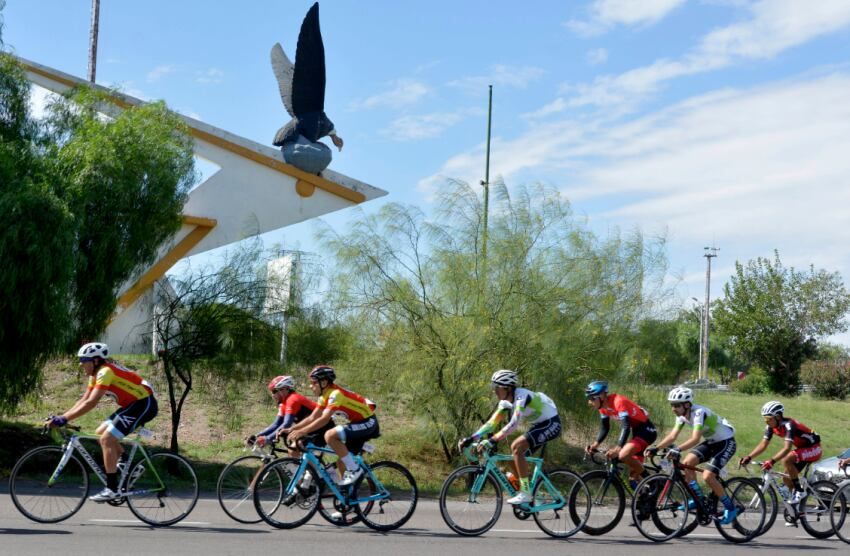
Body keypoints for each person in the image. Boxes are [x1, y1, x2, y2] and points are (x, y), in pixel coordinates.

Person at [47, 342, 158, 502]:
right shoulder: (96, 374)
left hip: (144, 404)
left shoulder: (105, 372)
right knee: (100, 433)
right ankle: (128, 466)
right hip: (133, 405)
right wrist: (62, 417)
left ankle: (111, 489)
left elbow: (91, 403)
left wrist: (64, 419)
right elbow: (84, 399)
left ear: (96, 360)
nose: (81, 364)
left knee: (107, 439)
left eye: (84, 360)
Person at [457, 369, 561, 505]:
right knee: (513, 460)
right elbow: (491, 423)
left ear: (508, 388)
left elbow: (513, 424)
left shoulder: (522, 396)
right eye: (493, 387)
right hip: (539, 425)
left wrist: (492, 440)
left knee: (516, 446)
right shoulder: (505, 401)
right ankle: (535, 495)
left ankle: (525, 493)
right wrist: (471, 438)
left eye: (497, 387)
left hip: (551, 424)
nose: (494, 391)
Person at [647, 386, 738, 525]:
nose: (673, 409)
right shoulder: (681, 416)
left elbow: (695, 439)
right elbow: (672, 436)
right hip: (712, 442)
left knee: (708, 476)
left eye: (677, 405)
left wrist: (677, 449)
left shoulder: (698, 412)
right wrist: (656, 448)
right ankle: (698, 498)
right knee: (687, 463)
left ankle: (730, 508)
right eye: (672, 405)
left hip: (726, 442)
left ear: (687, 405)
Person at [283, 365, 379, 487]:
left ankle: (355, 470)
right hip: (356, 423)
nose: (310, 386)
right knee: (341, 462)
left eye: (313, 383)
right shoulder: (324, 395)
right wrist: (292, 428)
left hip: (368, 422)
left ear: (324, 382)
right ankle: (348, 493)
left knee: (330, 435)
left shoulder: (335, 394)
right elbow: (313, 417)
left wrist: (302, 431)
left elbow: (324, 419)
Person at [739, 401, 822, 505]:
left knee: (787, 459)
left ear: (778, 417)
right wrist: (749, 457)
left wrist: (772, 461)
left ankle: (799, 491)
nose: (766, 421)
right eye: (765, 419)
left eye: (768, 418)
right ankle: (797, 508)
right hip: (802, 449)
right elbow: (763, 444)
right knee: (786, 479)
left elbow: (787, 448)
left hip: (814, 448)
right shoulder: (771, 427)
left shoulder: (789, 425)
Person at [583, 381, 657, 489]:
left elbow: (625, 426)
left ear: (602, 396)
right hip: (636, 433)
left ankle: (653, 483)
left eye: (592, 398)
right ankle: (647, 495)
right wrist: (595, 445)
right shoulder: (603, 407)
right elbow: (605, 428)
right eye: (588, 398)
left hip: (647, 430)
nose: (589, 402)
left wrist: (618, 448)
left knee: (623, 455)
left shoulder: (618, 401)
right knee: (634, 482)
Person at [247, 375, 317, 457]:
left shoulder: (293, 399)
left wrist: (268, 438)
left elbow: (286, 424)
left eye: (274, 391)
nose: (272, 395)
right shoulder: (283, 403)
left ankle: (313, 465)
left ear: (284, 389)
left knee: (293, 450)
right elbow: (276, 424)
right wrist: (257, 436)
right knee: (295, 451)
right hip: (310, 427)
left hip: (321, 426)